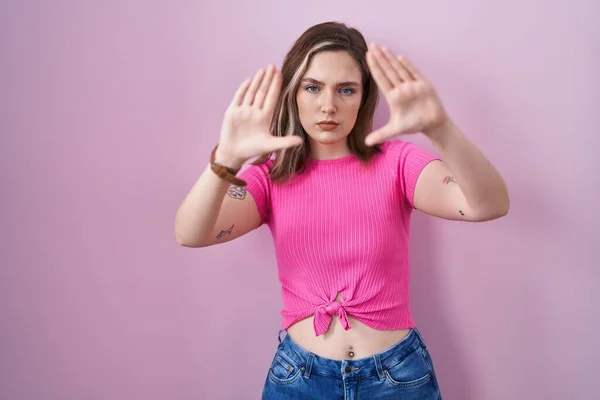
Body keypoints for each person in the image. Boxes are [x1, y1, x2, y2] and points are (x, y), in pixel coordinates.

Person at [175, 21, 509, 400]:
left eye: (346, 89)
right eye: (313, 87)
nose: (328, 105)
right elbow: (190, 233)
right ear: (293, 93)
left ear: (364, 97)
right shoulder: (269, 176)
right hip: (300, 378)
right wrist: (227, 159)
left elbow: (489, 204)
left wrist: (440, 128)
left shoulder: (398, 163)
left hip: (396, 378)